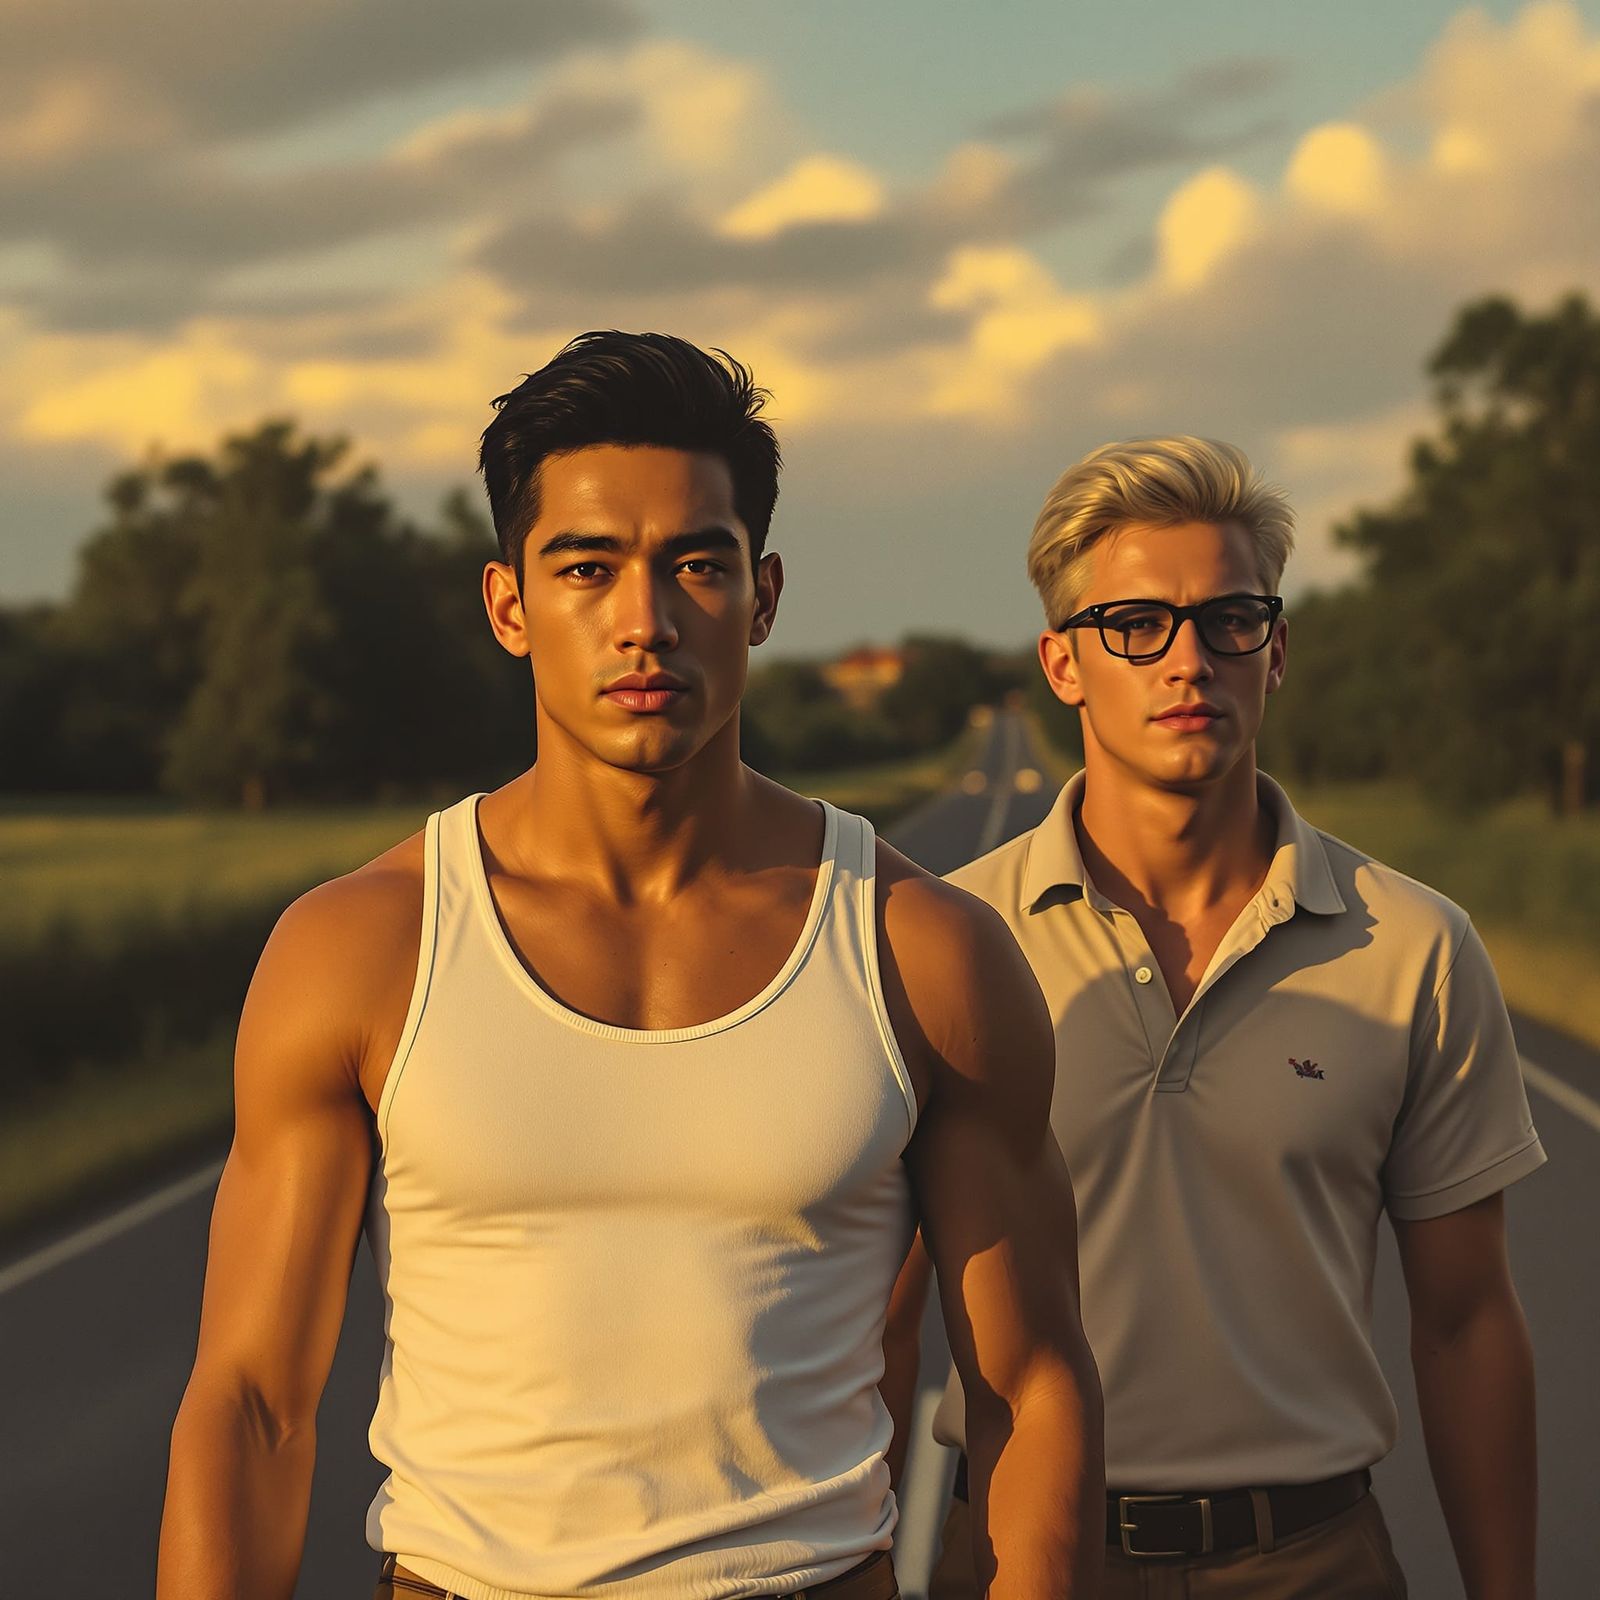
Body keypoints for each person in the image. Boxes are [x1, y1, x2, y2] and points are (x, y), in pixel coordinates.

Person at [156, 331, 1103, 1600]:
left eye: (695, 565)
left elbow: (1031, 1384)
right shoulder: (362, 948)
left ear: (761, 598)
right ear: (510, 604)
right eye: (587, 568)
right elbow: (254, 1403)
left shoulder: (917, 948)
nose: (644, 621)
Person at [887, 436, 1544, 1598]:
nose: (1187, 658)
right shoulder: (947, 940)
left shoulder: (1415, 946)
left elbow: (1466, 1322)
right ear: (1063, 664)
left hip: (1315, 1559)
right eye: (1135, 624)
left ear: (1274, 649)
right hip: (1020, 1556)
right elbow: (872, 1326)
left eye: (1229, 619)